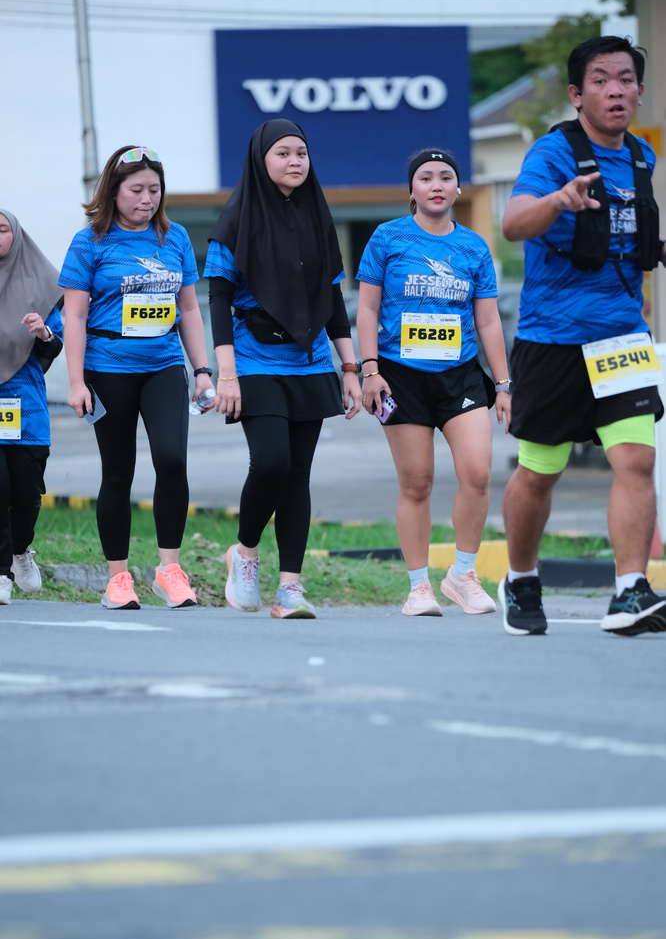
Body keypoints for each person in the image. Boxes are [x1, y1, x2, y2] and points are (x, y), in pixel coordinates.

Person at [500, 35, 666, 637]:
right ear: (577, 94)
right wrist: (558, 200)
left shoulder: (642, 156)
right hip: (554, 336)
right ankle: (520, 577)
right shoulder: (553, 153)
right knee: (540, 470)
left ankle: (629, 590)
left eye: (625, 79)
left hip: (622, 336)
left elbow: (627, 236)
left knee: (637, 461)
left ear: (639, 90)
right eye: (600, 80)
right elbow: (513, 223)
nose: (615, 90)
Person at [205, 118, 362, 619]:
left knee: (298, 475)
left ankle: (290, 586)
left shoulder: (318, 214)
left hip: (310, 360)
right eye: (283, 153)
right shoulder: (235, 218)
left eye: (301, 153)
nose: (295, 161)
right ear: (261, 159)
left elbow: (332, 297)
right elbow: (218, 297)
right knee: (271, 461)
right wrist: (226, 373)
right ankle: (245, 553)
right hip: (254, 358)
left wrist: (350, 367)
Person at [356, 149, 511, 617]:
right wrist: (369, 370)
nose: (437, 185)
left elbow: (489, 321)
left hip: (460, 374)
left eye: (446, 177)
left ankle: (462, 574)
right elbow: (367, 309)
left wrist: (504, 384)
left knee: (478, 474)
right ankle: (418, 586)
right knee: (417, 483)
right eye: (426, 177)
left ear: (458, 189)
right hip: (399, 376)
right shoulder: (387, 238)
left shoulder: (474, 247)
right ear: (412, 190)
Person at [60, 146, 216, 610]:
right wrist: (75, 383)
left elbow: (189, 308)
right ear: (113, 191)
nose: (147, 199)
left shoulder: (175, 236)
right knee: (118, 471)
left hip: (163, 364)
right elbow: (74, 316)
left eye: (155, 189)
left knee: (172, 460)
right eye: (137, 190)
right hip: (107, 368)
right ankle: (118, 579)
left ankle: (169, 571)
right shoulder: (90, 241)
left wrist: (202, 371)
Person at [0, 210, 63, 605]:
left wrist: (42, 332)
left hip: (24, 400)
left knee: (26, 493)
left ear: (17, 235)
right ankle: (1, 572)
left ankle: (21, 548)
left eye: (1, 229)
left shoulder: (40, 282)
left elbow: (54, 346)